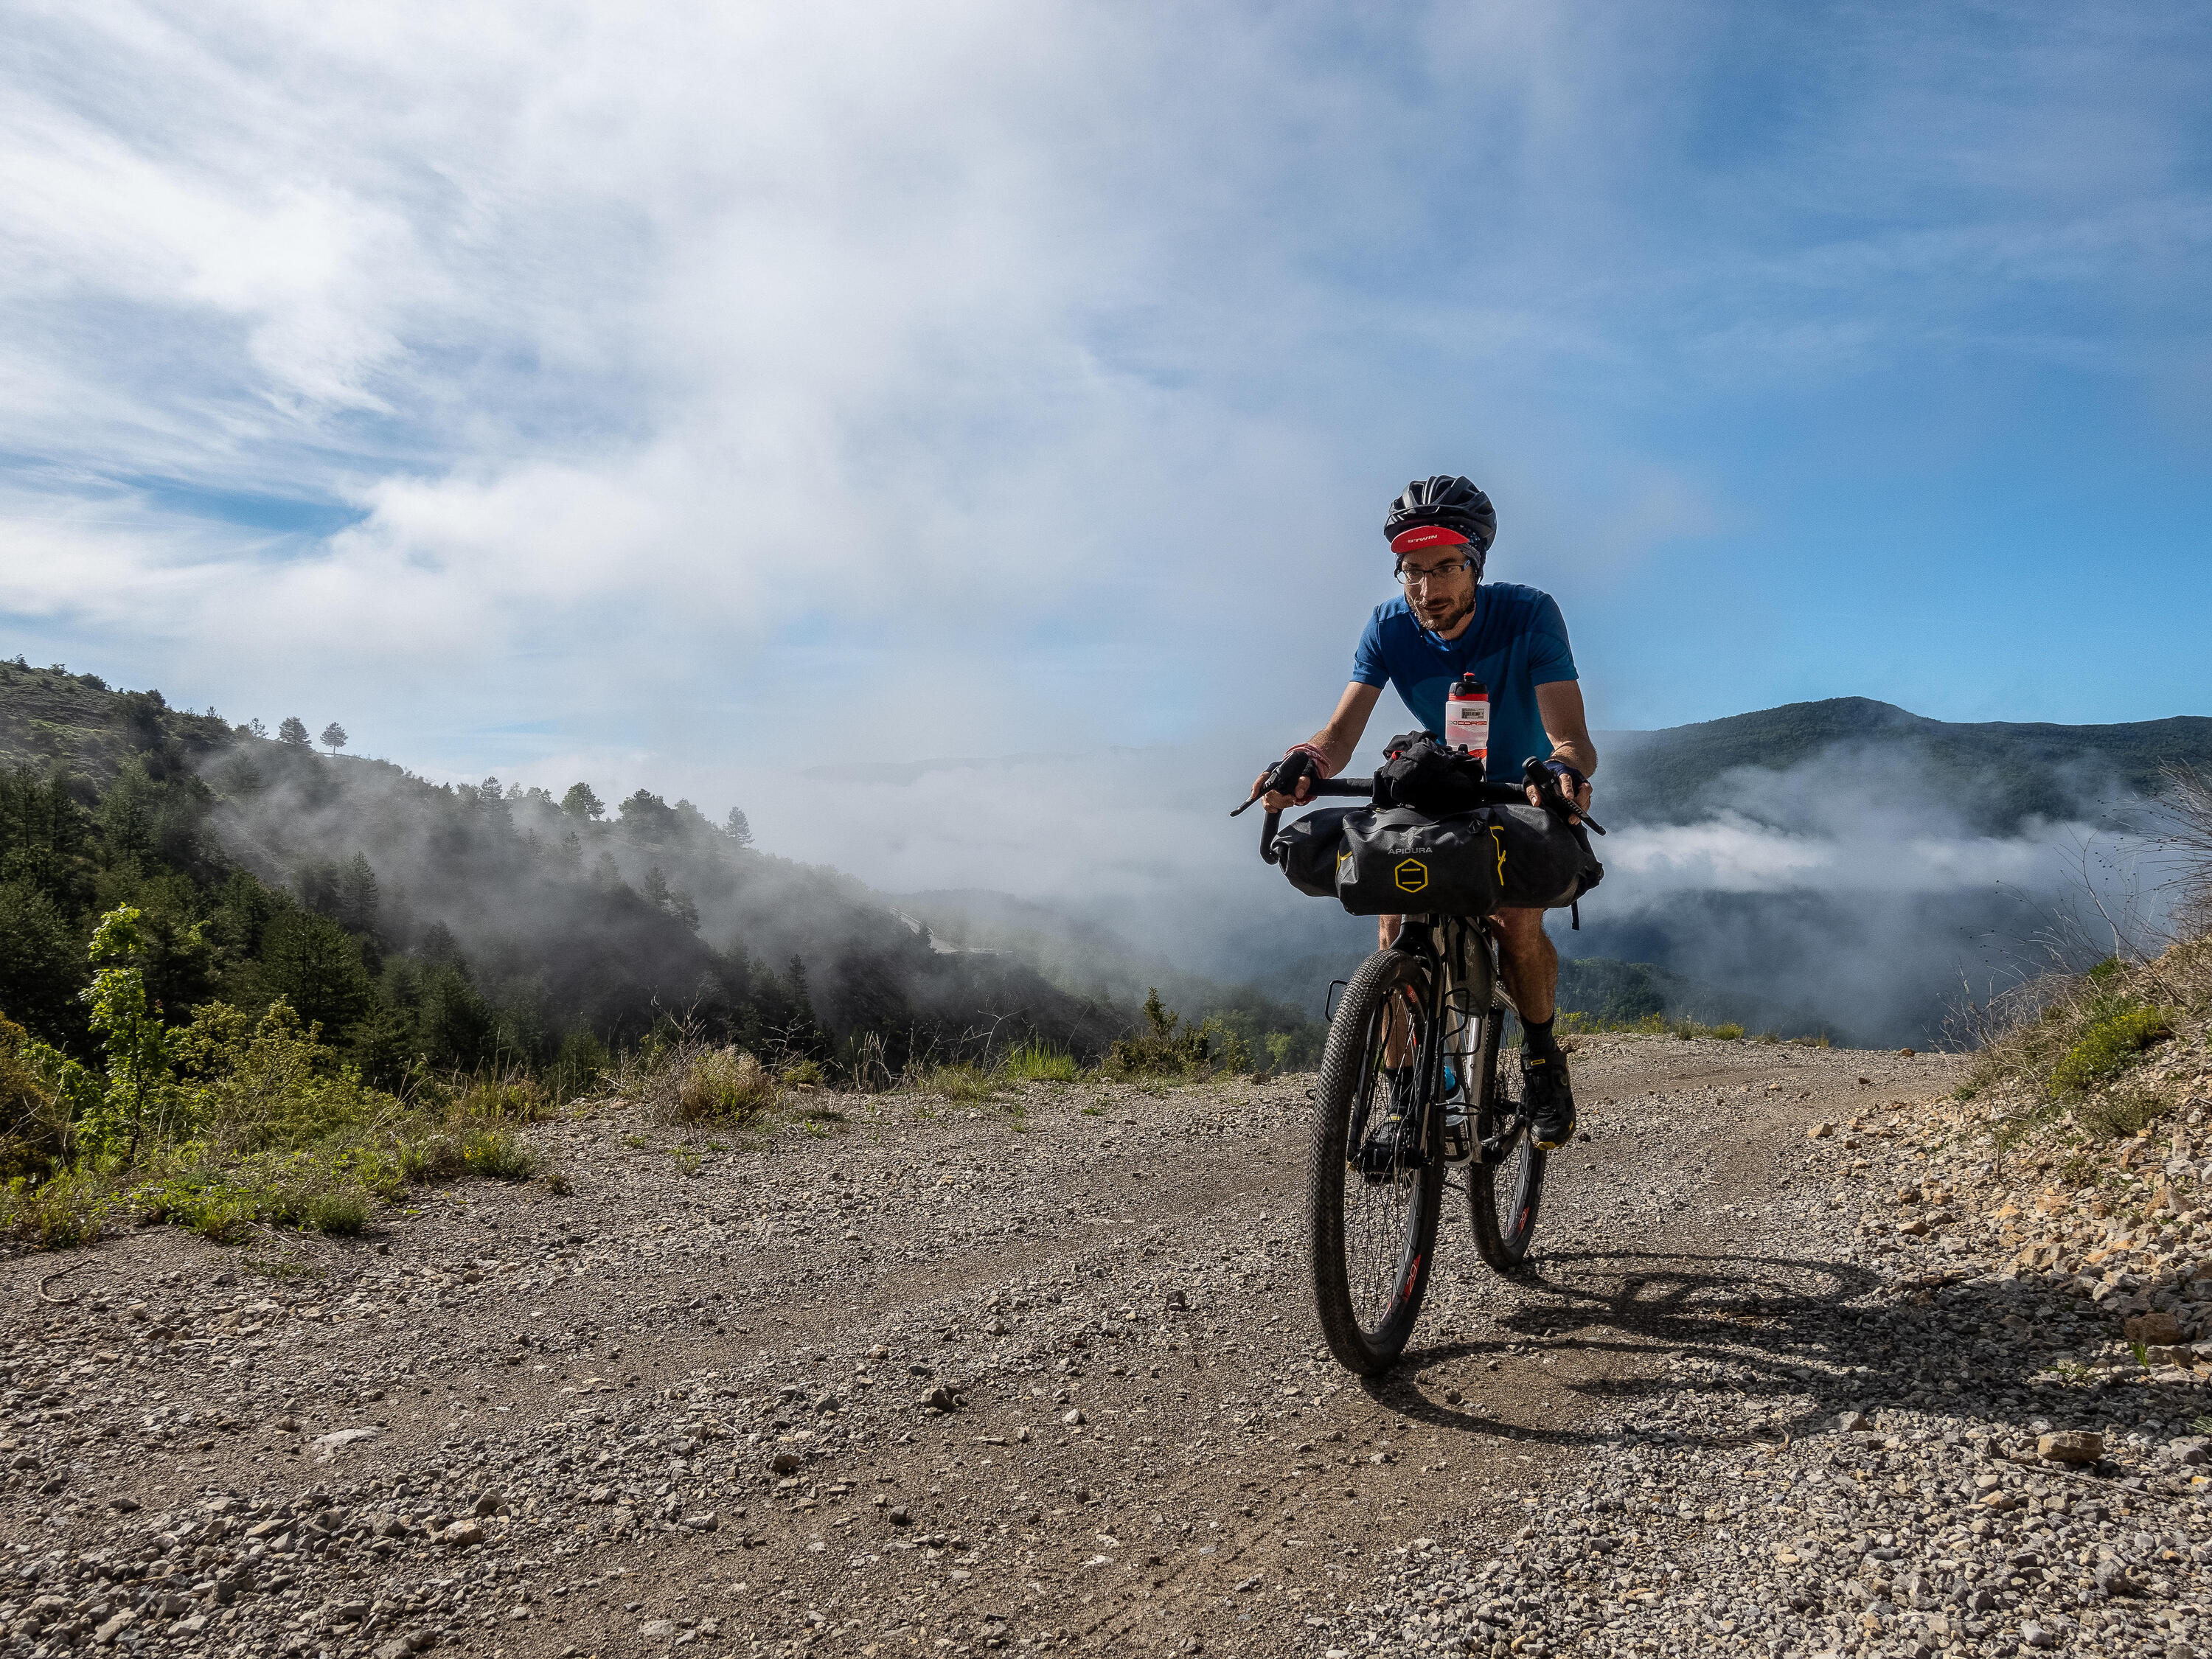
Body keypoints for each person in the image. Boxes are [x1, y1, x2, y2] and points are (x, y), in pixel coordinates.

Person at [1254, 474, 1596, 1150]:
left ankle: (1540, 1057)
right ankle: (1408, 1092)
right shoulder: (1387, 626)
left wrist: (1562, 773)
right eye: (1412, 570)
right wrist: (1305, 761)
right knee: (1392, 930)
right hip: (1438, 785)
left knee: (1516, 923)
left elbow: (1573, 740)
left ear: (1476, 565)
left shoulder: (1529, 614)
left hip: (1518, 787)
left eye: (1444, 567)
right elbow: (1338, 736)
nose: (1425, 587)